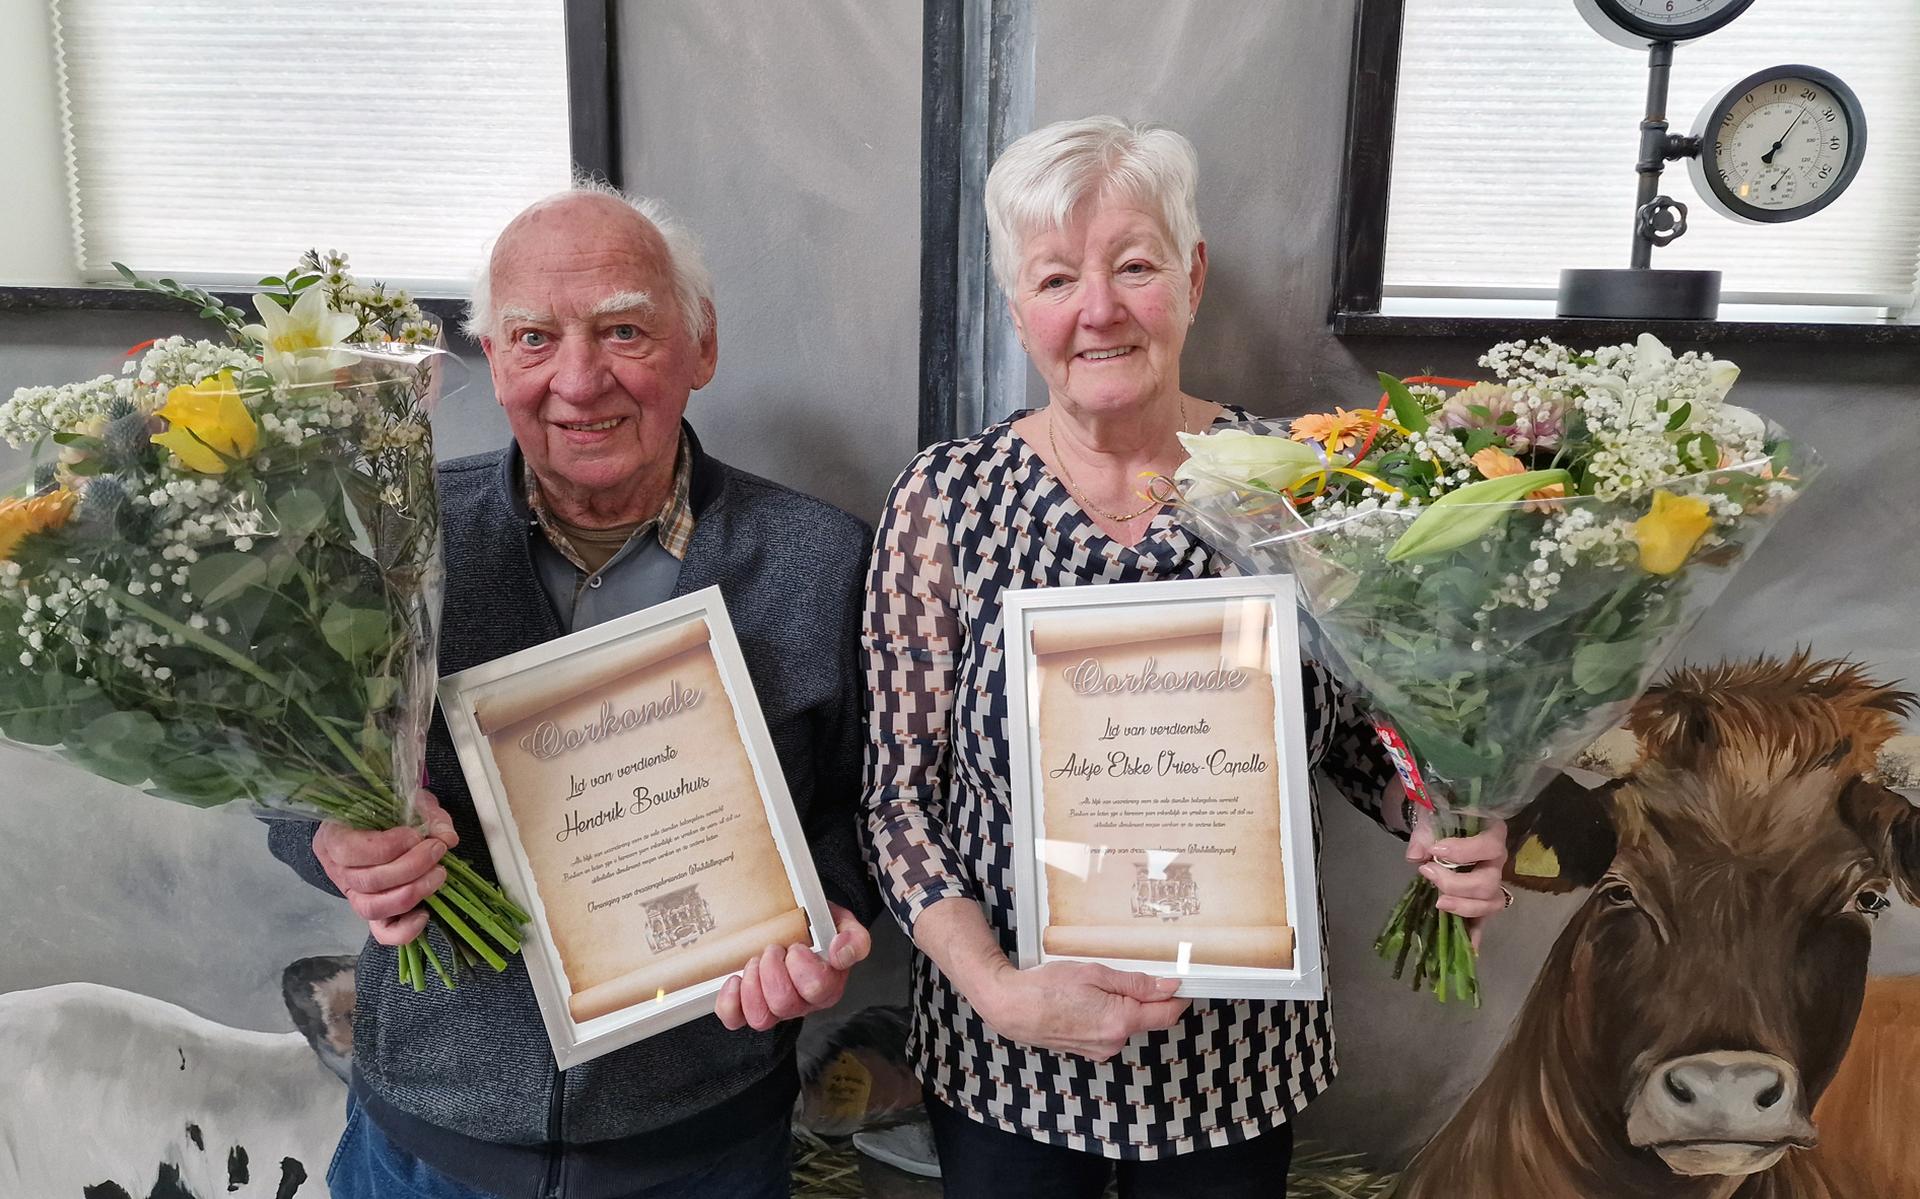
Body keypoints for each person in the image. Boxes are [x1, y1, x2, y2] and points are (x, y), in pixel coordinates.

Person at [861, 116, 1511, 1198]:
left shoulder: (1294, 486)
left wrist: (1440, 816)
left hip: (1236, 1062)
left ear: (1193, 275)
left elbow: (1360, 734)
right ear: (1019, 307)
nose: (1100, 309)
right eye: (1058, 277)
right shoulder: (946, 498)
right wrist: (998, 987)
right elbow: (895, 801)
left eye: (1134, 265)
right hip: (1010, 1056)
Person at [267, 183, 878, 1199]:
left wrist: (829, 914)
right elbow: (288, 774)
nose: (580, 380)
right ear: (493, 360)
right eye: (534, 337)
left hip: (703, 1144)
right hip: (426, 1144)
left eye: (624, 330)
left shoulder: (820, 558)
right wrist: (330, 836)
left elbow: (870, 813)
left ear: (702, 346)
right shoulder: (391, 543)